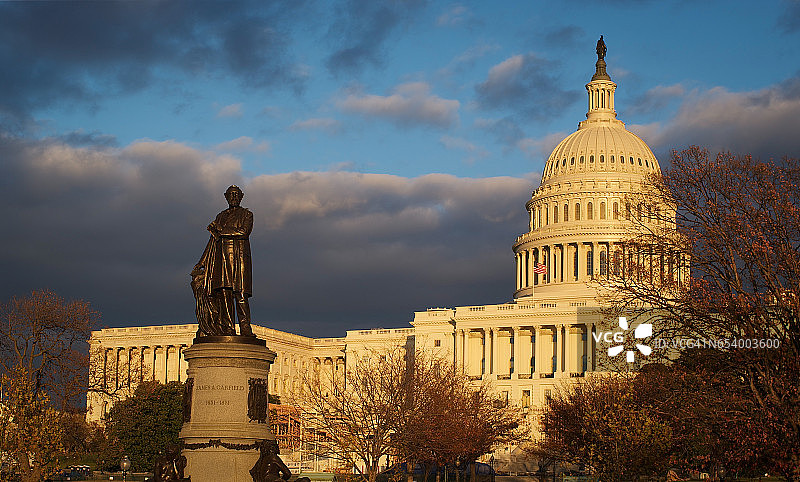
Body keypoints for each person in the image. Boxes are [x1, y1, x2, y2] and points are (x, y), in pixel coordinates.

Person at [192, 185, 254, 337]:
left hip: (239, 259)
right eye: (231, 195)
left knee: (240, 294)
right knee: (225, 294)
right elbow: (212, 241)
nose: (234, 197)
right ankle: (228, 328)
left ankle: (245, 327)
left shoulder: (247, 214)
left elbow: (243, 232)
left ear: (241, 196)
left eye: (236, 195)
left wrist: (220, 230)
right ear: (226, 197)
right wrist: (201, 262)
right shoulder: (220, 216)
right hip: (222, 259)